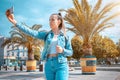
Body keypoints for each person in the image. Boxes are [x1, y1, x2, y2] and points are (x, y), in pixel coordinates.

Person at [6, 9, 73, 80]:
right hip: (48, 64)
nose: (50, 22)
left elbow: (70, 52)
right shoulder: (46, 35)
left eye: (52, 20)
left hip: (61, 64)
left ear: (59, 21)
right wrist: (15, 23)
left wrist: (62, 50)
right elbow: (31, 32)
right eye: (49, 20)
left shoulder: (65, 36)